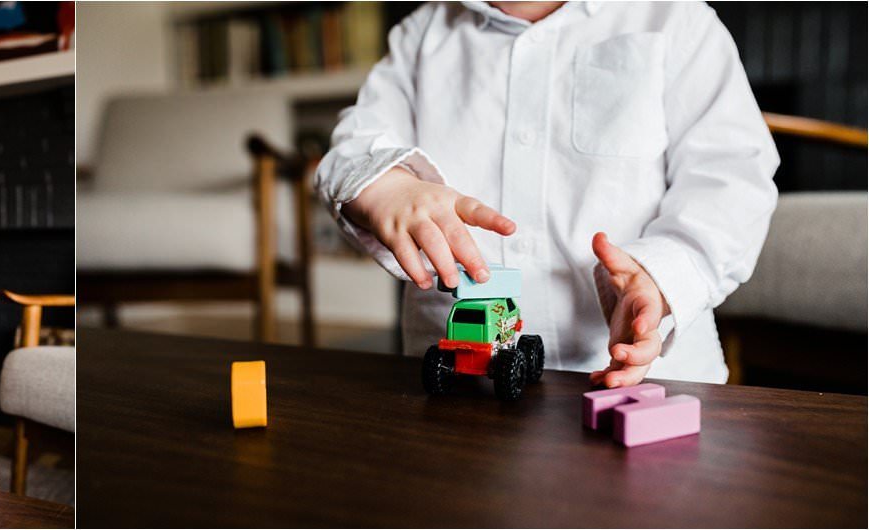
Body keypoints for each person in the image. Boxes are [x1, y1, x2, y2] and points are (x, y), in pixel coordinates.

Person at [315, 1, 779, 387]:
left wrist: (663, 275)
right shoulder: (420, 38)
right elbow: (353, 148)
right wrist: (386, 185)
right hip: (458, 403)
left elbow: (732, 176)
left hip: (651, 380)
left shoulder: (676, 19)